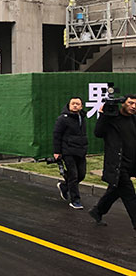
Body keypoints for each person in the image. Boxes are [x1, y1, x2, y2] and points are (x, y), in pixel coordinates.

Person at [89, 95, 136, 229]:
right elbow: (98, 133)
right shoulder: (111, 119)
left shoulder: (133, 119)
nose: (133, 106)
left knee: (115, 190)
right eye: (130, 103)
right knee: (130, 196)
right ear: (122, 104)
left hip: (130, 164)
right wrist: (103, 115)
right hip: (117, 165)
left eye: (135, 104)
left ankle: (98, 211)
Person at [52, 97, 88, 210]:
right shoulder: (63, 119)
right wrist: (57, 151)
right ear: (69, 105)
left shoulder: (82, 117)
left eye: (78, 104)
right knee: (73, 176)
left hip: (81, 151)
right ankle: (75, 200)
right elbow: (57, 135)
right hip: (68, 151)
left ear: (81, 106)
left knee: (81, 174)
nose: (75, 106)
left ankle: (64, 186)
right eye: (73, 104)